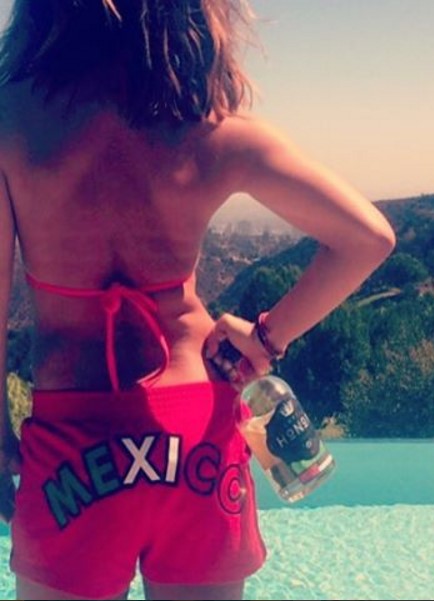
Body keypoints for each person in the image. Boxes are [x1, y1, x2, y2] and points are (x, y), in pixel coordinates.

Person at [0, 1, 396, 599]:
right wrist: (266, 338)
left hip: (75, 442)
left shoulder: (10, 123)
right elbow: (368, 239)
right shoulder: (215, 131)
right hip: (196, 436)